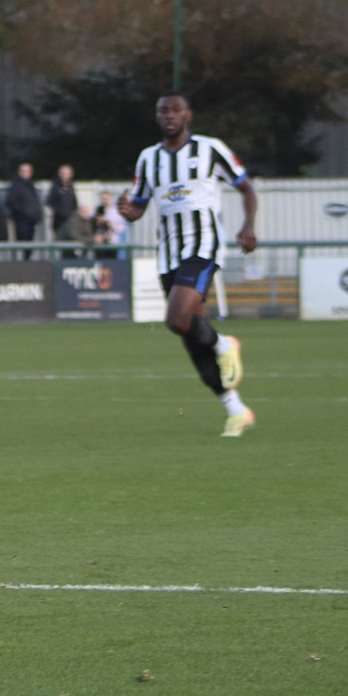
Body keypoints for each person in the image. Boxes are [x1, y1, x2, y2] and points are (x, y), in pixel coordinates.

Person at [117, 91, 259, 437]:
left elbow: (247, 188)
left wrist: (248, 226)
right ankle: (236, 410)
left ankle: (225, 344)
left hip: (203, 245)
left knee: (177, 319)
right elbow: (138, 207)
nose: (169, 115)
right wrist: (127, 211)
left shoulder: (210, 149)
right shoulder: (148, 158)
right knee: (191, 335)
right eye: (163, 110)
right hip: (168, 253)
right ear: (157, 117)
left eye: (176, 110)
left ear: (188, 115)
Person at [5, 162, 42, 247]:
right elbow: (11, 202)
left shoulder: (31, 185)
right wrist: (23, 212)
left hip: (31, 220)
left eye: (28, 171)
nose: (26, 173)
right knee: (22, 243)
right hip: (21, 220)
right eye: (23, 171)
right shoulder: (16, 185)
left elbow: (35, 201)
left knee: (29, 244)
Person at [46, 163, 79, 240]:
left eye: (67, 174)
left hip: (71, 222)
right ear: (59, 174)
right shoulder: (55, 187)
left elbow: (75, 203)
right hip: (59, 222)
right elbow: (50, 202)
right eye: (63, 173)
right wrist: (61, 212)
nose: (65, 176)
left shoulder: (71, 187)